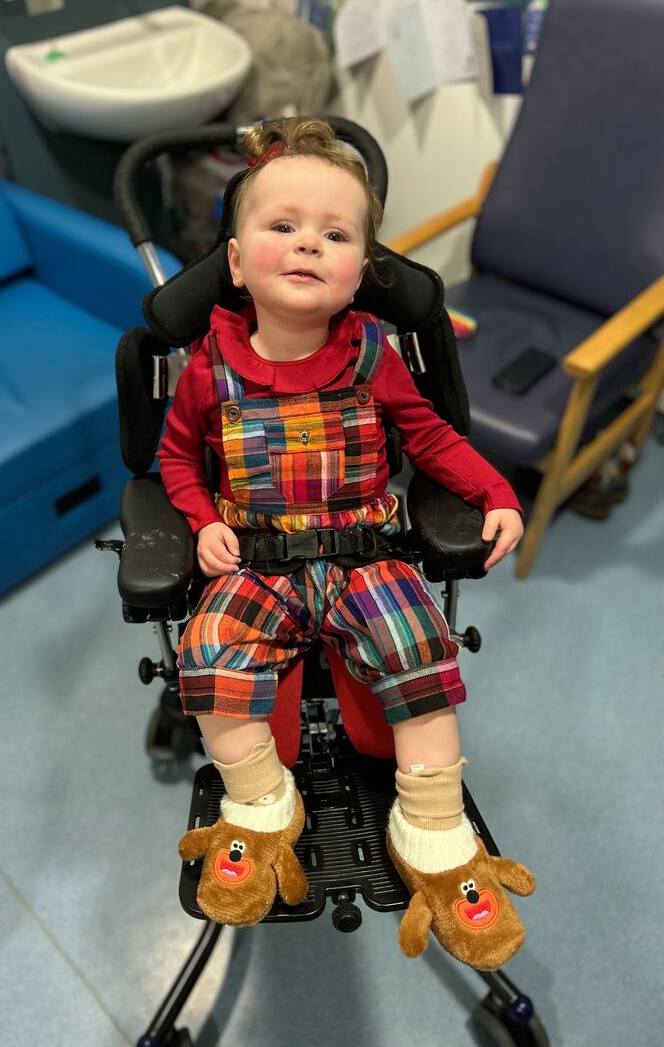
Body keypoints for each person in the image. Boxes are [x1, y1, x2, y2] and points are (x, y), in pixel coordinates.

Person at [158, 118, 534, 970]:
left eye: (334, 234)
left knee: (418, 648)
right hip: (252, 555)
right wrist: (202, 520)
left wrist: (494, 489)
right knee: (212, 650)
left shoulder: (372, 354)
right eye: (281, 226)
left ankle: (434, 829)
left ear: (361, 270)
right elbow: (177, 458)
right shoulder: (207, 368)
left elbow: (431, 438)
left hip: (365, 551)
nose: (307, 245)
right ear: (235, 257)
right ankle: (260, 806)